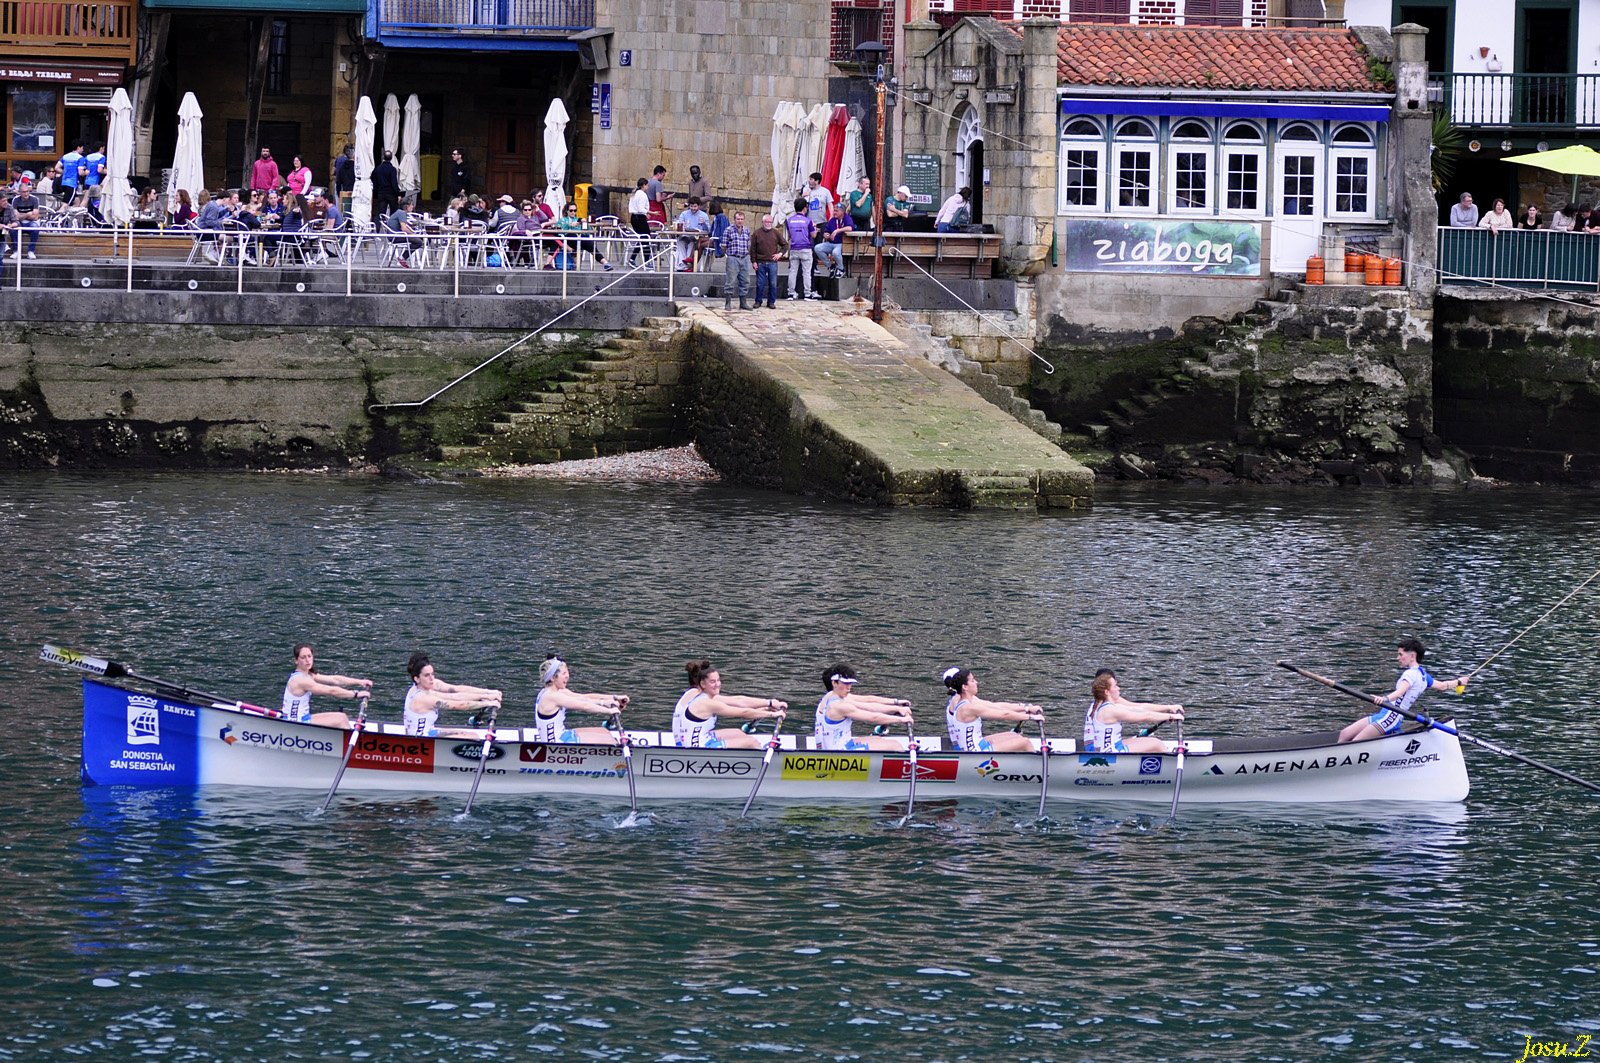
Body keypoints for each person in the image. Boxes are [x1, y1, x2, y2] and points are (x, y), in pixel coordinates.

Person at [1339, 637, 1469, 744]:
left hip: (1389, 719)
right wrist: (1459, 681)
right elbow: (1442, 686)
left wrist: (1384, 699)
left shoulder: (1410, 675)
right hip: (1382, 715)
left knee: (1354, 743)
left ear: (1412, 655)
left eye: (1400, 654)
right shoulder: (1423, 676)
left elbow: (1400, 692)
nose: (1397, 658)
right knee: (1345, 734)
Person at [672, 659, 787, 749]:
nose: (717, 684)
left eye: (718, 680)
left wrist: (767, 705)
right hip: (697, 748)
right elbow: (743, 711)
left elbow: (739, 701)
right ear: (702, 683)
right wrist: (773, 715)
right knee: (751, 742)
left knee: (738, 733)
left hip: (694, 739)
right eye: (712, 681)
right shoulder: (705, 702)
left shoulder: (695, 695)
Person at [940, 667, 1042, 753]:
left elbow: (995, 706)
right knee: (1025, 742)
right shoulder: (966, 705)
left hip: (972, 745)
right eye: (972, 680)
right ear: (964, 686)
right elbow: (1004, 714)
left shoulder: (960, 700)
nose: (976, 682)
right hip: (974, 753)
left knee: (1014, 735)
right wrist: (1031, 717)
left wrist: (1025, 708)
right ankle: (1036, 770)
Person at [814, 663, 913, 750]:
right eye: (845, 683)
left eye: (850, 683)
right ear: (834, 683)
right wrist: (902, 720)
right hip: (838, 753)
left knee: (878, 739)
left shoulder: (830, 696)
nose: (849, 687)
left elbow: (869, 702)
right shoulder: (840, 706)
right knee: (895, 746)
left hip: (834, 746)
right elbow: (873, 718)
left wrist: (896, 704)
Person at [532, 654, 627, 745]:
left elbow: (583, 698)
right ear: (553, 678)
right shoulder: (552, 697)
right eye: (564, 673)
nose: (567, 676)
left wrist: (612, 698)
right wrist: (609, 711)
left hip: (562, 735)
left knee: (603, 731)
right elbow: (584, 705)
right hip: (556, 745)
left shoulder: (556, 692)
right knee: (609, 741)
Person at [403, 651, 501, 737]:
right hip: (421, 741)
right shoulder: (422, 698)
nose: (432, 678)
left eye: (432, 674)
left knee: (472, 735)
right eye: (427, 675)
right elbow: (459, 705)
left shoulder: (427, 684)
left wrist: (488, 693)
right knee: (473, 737)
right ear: (417, 678)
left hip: (429, 732)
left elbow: (457, 690)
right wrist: (487, 703)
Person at [1082, 671, 1182, 754]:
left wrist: (1168, 711)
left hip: (1110, 747)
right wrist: (1170, 716)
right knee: (1157, 744)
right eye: (1115, 686)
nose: (1119, 688)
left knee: (1151, 740)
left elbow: (1140, 709)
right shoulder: (1110, 710)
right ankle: (1169, 765)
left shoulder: (1106, 706)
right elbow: (1145, 716)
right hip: (1110, 753)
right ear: (1107, 692)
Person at [282, 643, 371, 728]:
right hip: (295, 723)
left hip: (303, 717)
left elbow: (335, 679)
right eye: (303, 657)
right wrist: (355, 694)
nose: (307, 660)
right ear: (296, 661)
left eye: (309, 656)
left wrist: (359, 682)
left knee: (342, 716)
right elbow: (331, 691)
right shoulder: (300, 680)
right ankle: (348, 741)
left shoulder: (309, 674)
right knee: (340, 720)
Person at [547, 200, 613, 270]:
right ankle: (576, 263)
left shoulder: (579, 220)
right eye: (571, 210)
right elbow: (559, 232)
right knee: (574, 236)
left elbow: (589, 230)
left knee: (590, 245)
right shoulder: (563, 220)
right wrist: (569, 225)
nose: (573, 212)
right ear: (567, 211)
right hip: (569, 240)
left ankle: (605, 263)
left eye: (575, 210)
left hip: (580, 239)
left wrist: (585, 223)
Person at [750, 212, 786, 309]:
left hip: (772, 263)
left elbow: (785, 245)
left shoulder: (775, 233)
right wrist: (753, 261)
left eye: (770, 222)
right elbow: (752, 249)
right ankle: (758, 301)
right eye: (766, 221)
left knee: (773, 283)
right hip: (760, 262)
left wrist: (780, 254)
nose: (768, 223)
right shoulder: (756, 233)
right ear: (762, 222)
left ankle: (771, 302)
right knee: (760, 284)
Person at [784, 197, 817, 300]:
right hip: (806, 248)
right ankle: (807, 293)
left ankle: (791, 293)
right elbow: (814, 235)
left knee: (793, 271)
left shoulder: (789, 220)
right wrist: (815, 228)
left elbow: (790, 235)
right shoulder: (808, 221)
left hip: (794, 248)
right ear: (805, 208)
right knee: (806, 272)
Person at [721, 210, 751, 310]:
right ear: (734, 220)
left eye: (742, 219)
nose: (740, 221)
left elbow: (749, 244)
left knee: (745, 281)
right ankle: (728, 302)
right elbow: (724, 245)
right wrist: (729, 255)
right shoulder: (728, 230)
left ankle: (743, 302)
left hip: (745, 258)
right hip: (733, 258)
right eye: (738, 219)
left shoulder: (747, 230)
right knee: (730, 281)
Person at [673, 195, 712, 270]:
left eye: (695, 206)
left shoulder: (703, 215)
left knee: (691, 244)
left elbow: (708, 230)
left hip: (696, 238)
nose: (693, 208)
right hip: (685, 236)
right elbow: (680, 224)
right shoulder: (684, 214)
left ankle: (687, 264)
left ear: (699, 206)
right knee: (680, 243)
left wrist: (704, 224)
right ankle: (683, 263)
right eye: (691, 206)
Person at [385, 192, 422, 267]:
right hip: (395, 236)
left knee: (419, 239)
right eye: (411, 205)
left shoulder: (399, 212)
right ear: (407, 206)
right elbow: (404, 228)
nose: (413, 206)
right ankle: (403, 258)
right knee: (419, 242)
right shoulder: (402, 213)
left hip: (395, 235)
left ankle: (403, 258)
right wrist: (413, 234)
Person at [814, 212, 853, 279]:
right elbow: (826, 231)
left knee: (835, 252)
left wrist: (838, 231)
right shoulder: (832, 220)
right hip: (831, 243)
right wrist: (826, 235)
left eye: (837, 211)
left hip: (841, 243)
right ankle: (830, 266)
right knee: (817, 248)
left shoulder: (846, 218)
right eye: (834, 210)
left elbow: (850, 228)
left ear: (842, 212)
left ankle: (841, 269)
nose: (834, 212)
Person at [9, 180, 40, 258]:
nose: (26, 194)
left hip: (31, 223)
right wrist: (27, 214)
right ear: (19, 192)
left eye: (27, 191)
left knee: (35, 228)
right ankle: (16, 251)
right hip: (19, 222)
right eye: (23, 192)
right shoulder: (15, 200)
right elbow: (15, 217)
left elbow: (35, 217)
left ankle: (31, 251)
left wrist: (21, 215)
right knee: (12, 228)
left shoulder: (34, 199)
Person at [627, 177, 652, 268]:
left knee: (642, 238)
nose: (648, 187)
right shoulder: (642, 194)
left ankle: (632, 259)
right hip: (639, 218)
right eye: (647, 185)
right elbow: (641, 209)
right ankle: (646, 261)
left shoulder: (634, 193)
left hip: (634, 217)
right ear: (643, 185)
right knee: (646, 238)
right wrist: (650, 213)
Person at [372, 150, 401, 219]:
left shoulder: (377, 169)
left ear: (383, 157)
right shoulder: (392, 169)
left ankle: (378, 227)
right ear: (391, 158)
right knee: (394, 213)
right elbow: (394, 183)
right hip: (391, 194)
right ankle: (392, 227)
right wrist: (398, 193)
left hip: (381, 193)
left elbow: (374, 182)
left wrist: (376, 191)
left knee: (381, 213)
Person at [333, 145, 355, 216]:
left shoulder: (338, 159)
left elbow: (334, 171)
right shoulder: (354, 165)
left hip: (340, 183)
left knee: (339, 204)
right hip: (350, 187)